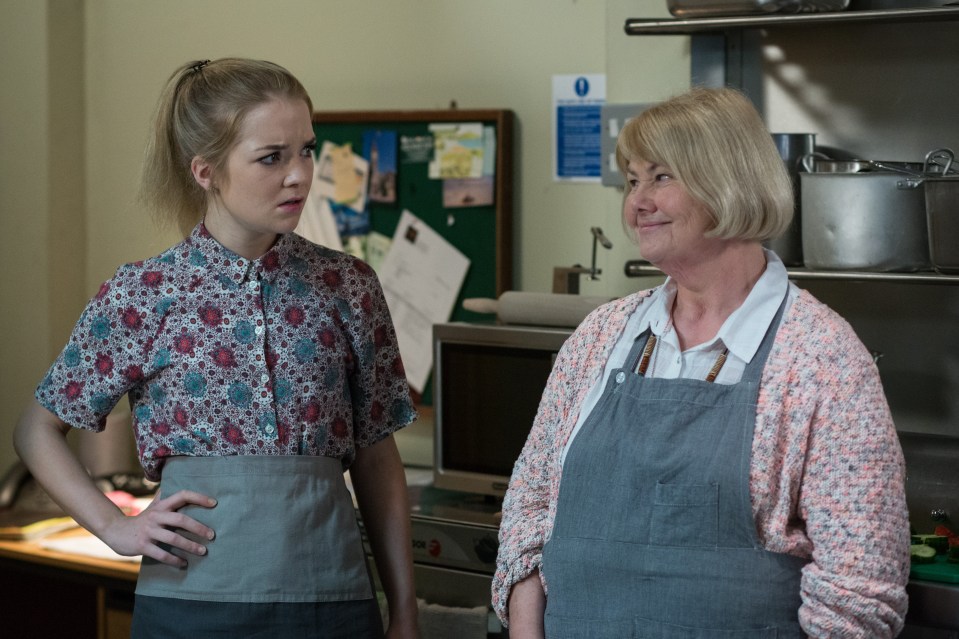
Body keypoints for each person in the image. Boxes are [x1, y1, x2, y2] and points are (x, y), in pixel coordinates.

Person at [14, 58, 418, 639]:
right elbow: (37, 430)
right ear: (205, 171)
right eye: (271, 157)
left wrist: (404, 609)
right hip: (189, 609)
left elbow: (379, 457)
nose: (299, 175)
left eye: (306, 149)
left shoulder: (348, 285)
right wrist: (113, 526)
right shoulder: (145, 293)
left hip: (333, 605)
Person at [492, 87, 909, 638]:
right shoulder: (602, 336)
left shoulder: (820, 357)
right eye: (632, 180)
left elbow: (860, 586)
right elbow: (530, 504)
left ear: (729, 182)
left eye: (661, 177)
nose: (637, 202)